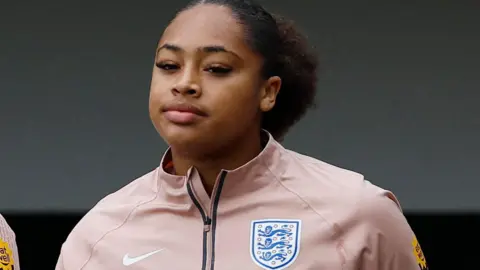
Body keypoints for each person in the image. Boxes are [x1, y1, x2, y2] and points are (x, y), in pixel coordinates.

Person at [56, 0, 429, 269]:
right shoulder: (99, 233)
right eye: (169, 65)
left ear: (268, 91)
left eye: (217, 69)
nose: (184, 84)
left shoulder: (358, 215)